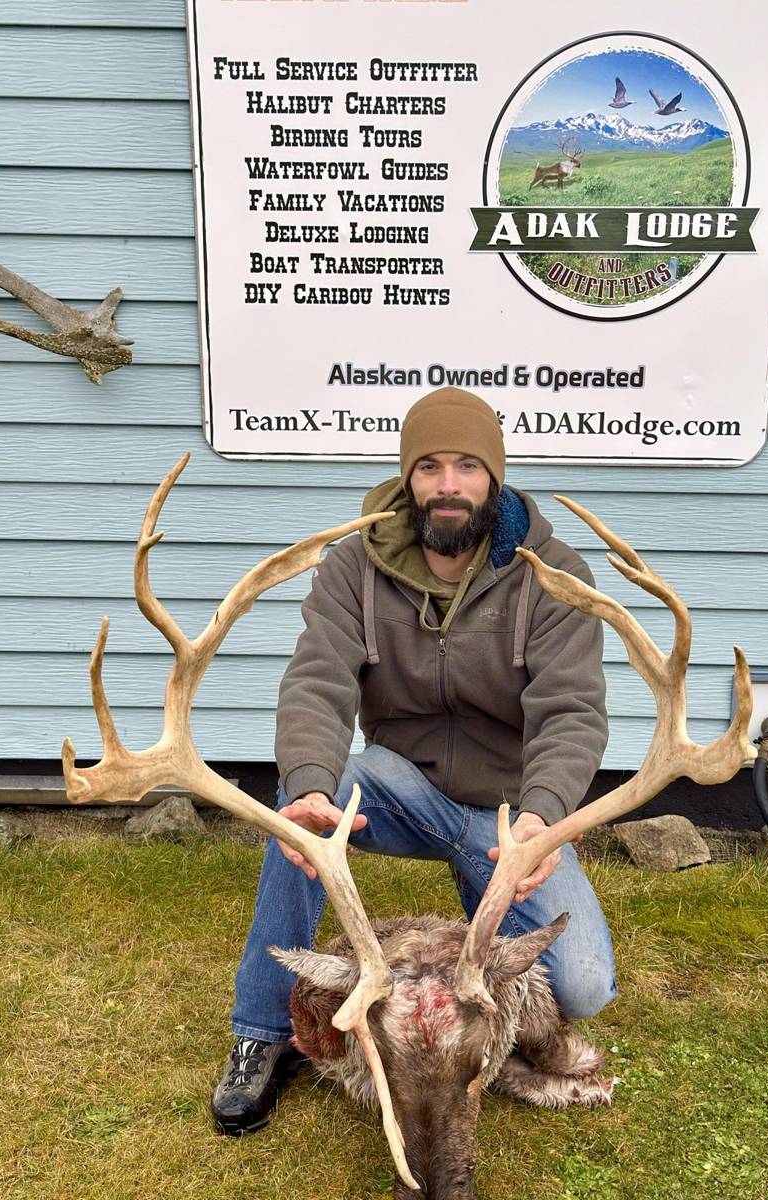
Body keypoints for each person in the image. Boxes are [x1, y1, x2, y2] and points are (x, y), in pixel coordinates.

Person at [211, 386, 616, 1135]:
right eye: (429, 466)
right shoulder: (352, 567)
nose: (449, 485)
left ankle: (474, 938)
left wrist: (542, 818)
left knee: (584, 986)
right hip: (400, 790)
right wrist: (305, 789)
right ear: (408, 479)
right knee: (305, 812)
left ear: (494, 477)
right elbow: (317, 683)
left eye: (467, 466)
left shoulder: (553, 574)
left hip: (507, 824)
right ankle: (262, 1033)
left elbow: (572, 711)